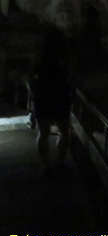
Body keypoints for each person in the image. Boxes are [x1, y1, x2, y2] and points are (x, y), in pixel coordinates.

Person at [28, 29, 72, 176]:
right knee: (64, 132)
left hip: (43, 97)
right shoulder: (65, 57)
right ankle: (59, 163)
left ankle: (46, 166)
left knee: (43, 133)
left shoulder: (39, 56)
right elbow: (70, 76)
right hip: (59, 96)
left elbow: (30, 77)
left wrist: (34, 92)